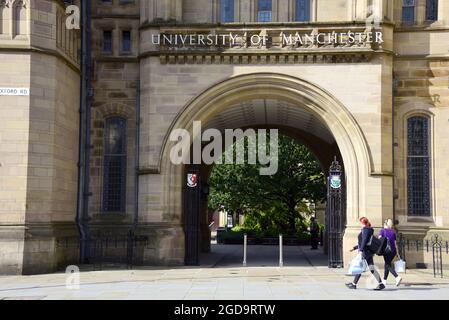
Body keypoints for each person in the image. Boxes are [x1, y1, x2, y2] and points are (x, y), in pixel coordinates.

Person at [346, 217, 385, 290]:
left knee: (359, 267)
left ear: (362, 223)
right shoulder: (367, 230)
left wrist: (361, 250)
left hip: (365, 252)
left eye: (360, 222)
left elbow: (364, 241)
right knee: (370, 268)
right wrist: (355, 248)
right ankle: (381, 284)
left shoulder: (366, 230)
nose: (359, 223)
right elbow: (364, 242)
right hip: (368, 251)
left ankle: (354, 284)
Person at [379, 219, 402, 287]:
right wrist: (397, 253)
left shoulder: (382, 231)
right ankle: (384, 280)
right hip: (393, 251)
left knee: (388, 265)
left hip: (386, 251)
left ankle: (397, 277)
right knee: (387, 264)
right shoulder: (393, 232)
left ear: (385, 224)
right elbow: (395, 244)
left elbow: (379, 240)